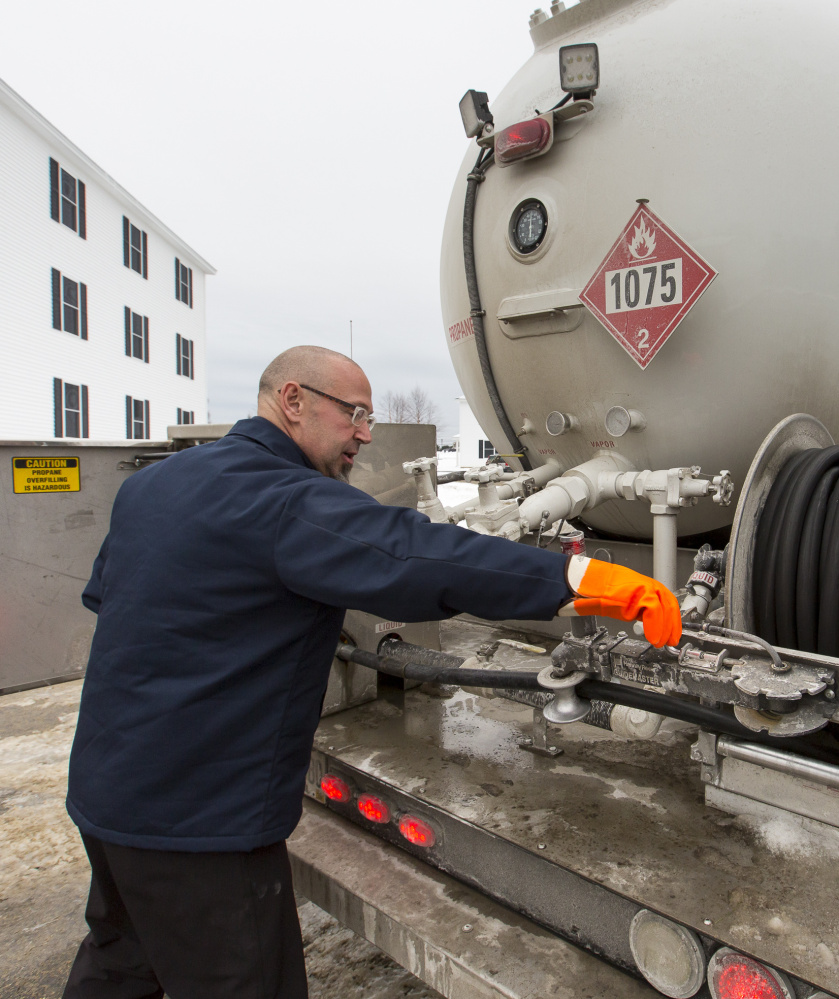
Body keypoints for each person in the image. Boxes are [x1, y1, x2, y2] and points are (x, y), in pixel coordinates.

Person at [63, 345, 681, 999]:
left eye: (370, 418)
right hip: (198, 825)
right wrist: (576, 578)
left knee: (123, 964)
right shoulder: (282, 499)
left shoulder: (151, 486)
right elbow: (416, 555)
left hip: (108, 794)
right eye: (353, 412)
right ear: (292, 400)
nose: (364, 432)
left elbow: (111, 599)